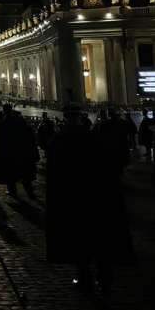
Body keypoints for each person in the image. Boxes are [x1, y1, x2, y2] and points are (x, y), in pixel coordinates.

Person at [46, 107, 134, 294]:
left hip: (72, 199)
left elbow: (54, 174)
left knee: (79, 241)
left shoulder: (59, 141)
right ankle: (105, 277)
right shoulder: (95, 139)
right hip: (98, 198)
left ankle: (85, 276)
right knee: (101, 240)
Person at [0, 104, 39, 199]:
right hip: (22, 152)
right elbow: (30, 136)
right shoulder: (21, 121)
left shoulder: (2, 123)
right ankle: (30, 193)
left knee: (11, 175)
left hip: (9, 153)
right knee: (25, 175)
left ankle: (13, 192)